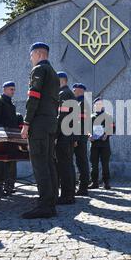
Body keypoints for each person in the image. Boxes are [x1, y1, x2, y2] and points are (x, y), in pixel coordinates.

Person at [21, 42, 60, 219]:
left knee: (39, 163)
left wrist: (27, 122)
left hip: (39, 125)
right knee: (49, 162)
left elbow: (34, 97)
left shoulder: (39, 70)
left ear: (37, 54)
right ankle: (51, 202)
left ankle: (44, 205)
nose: (31, 59)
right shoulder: (54, 73)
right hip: (51, 124)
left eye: (31, 56)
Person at [0, 81, 23, 197]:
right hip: (1, 137)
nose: (13, 91)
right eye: (10, 89)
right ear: (4, 89)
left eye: (14, 89)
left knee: (11, 162)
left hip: (11, 137)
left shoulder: (11, 104)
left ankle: (9, 186)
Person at [56, 71, 77, 205]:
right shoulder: (70, 94)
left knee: (64, 166)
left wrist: (55, 135)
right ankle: (70, 194)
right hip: (69, 135)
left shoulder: (63, 94)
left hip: (64, 135)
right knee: (68, 165)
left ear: (61, 81)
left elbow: (62, 117)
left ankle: (66, 196)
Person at [88, 98, 116, 190]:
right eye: (97, 104)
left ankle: (106, 183)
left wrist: (106, 135)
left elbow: (112, 128)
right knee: (94, 165)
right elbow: (87, 130)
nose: (98, 106)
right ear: (94, 106)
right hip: (94, 144)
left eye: (100, 104)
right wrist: (89, 136)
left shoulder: (108, 116)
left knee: (105, 164)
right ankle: (94, 182)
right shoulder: (91, 117)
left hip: (104, 144)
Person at [72, 83, 91, 196]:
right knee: (81, 160)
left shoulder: (82, 103)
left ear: (80, 91)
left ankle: (83, 187)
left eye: (75, 90)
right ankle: (82, 186)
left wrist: (76, 138)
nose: (73, 91)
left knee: (81, 161)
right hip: (79, 135)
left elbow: (80, 123)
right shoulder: (79, 103)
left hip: (79, 136)